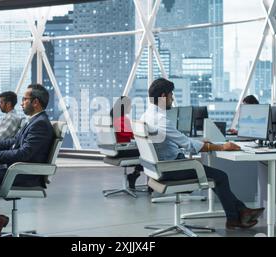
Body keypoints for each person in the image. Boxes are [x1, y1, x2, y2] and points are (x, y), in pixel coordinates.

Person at [141, 78, 264, 229]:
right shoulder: (160, 120)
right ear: (163, 95)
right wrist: (222, 147)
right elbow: (189, 146)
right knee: (221, 177)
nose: (172, 99)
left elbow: (178, 140)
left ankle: (241, 213)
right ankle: (235, 217)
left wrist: (200, 142)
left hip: (158, 169)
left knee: (213, 176)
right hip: (171, 169)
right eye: (171, 95)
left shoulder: (146, 116)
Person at [0, 84, 55, 236]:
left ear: (35, 102)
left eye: (24, 99)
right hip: (18, 170)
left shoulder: (40, 123)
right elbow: (12, 143)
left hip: (25, 174)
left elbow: (24, 154)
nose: (21, 103)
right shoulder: (33, 121)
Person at [110, 96, 143, 190]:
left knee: (143, 152)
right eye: (129, 105)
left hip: (118, 149)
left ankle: (135, 175)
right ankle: (137, 176)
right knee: (148, 153)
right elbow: (133, 135)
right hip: (123, 150)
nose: (131, 107)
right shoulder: (122, 119)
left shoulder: (113, 118)